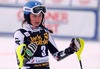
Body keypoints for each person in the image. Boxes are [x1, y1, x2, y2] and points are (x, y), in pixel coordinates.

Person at [14, 1, 82, 69]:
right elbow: (19, 63)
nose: (37, 19)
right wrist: (28, 55)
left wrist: (70, 49)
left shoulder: (45, 32)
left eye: (40, 15)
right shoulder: (20, 34)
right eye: (34, 16)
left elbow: (57, 56)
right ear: (27, 16)